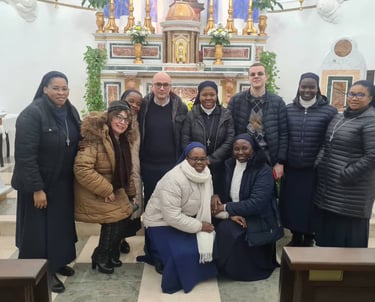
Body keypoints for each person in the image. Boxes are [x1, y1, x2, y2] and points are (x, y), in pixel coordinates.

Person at [11, 71, 81, 293]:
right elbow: (25, 155)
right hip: (40, 185)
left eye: (65, 88)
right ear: (45, 89)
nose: (61, 93)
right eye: (56, 88)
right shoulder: (32, 114)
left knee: (59, 228)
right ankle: (43, 273)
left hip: (62, 182)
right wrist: (36, 188)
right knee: (39, 233)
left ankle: (58, 262)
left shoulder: (70, 110)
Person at [143, 142, 218, 294]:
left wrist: (230, 212)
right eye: (194, 158)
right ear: (186, 158)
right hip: (160, 222)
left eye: (202, 159)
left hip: (185, 219)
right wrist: (200, 226)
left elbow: (208, 202)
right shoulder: (174, 178)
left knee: (203, 248)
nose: (199, 162)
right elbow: (171, 217)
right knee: (182, 255)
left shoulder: (206, 174)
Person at [74, 101, 135, 274]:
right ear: (109, 117)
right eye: (118, 117)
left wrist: (131, 193)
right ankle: (100, 255)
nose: (122, 122)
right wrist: (105, 190)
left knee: (124, 216)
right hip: (94, 191)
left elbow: (126, 170)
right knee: (114, 218)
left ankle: (107, 252)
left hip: (112, 188)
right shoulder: (95, 137)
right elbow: (82, 168)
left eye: (126, 119)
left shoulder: (122, 139)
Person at [314, 80, 375, 247]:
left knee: (347, 250)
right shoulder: (339, 117)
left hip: (351, 198)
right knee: (327, 245)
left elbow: (372, 156)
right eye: (352, 94)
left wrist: (347, 173)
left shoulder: (371, 121)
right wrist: (319, 163)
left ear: (370, 98)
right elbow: (326, 144)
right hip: (329, 192)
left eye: (360, 94)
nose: (354, 98)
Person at [279, 73, 337, 246]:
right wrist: (282, 160)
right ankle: (296, 235)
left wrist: (319, 161)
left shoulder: (329, 111)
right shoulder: (288, 109)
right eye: (304, 86)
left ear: (318, 88)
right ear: (299, 86)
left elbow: (329, 140)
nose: (307, 90)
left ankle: (310, 236)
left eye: (311, 87)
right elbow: (284, 136)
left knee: (312, 204)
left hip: (314, 168)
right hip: (292, 167)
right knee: (293, 204)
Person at [212, 133, 279, 281]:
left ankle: (243, 271)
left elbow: (257, 204)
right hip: (234, 212)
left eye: (245, 148)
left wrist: (225, 208)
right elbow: (220, 186)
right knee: (221, 228)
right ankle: (225, 268)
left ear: (254, 149)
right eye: (236, 149)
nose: (240, 152)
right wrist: (215, 195)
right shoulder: (229, 165)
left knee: (230, 232)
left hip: (259, 217)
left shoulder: (264, 170)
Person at [227, 62, 288, 180]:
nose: (256, 76)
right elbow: (229, 130)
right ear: (248, 78)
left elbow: (284, 134)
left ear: (266, 77)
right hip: (242, 157)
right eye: (252, 74)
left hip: (267, 157)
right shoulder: (236, 100)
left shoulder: (277, 102)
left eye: (260, 73)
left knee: (265, 193)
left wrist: (280, 162)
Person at [138, 71, 188, 207]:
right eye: (158, 84)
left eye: (165, 85)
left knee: (170, 202)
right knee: (151, 202)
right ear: (152, 87)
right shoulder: (143, 106)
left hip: (171, 164)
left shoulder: (180, 107)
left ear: (170, 87)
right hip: (148, 165)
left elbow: (185, 133)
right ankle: (150, 228)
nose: (162, 88)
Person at [182, 80, 234, 200]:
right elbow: (185, 139)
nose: (208, 98)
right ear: (199, 96)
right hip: (195, 167)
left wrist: (211, 159)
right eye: (204, 95)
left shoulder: (226, 114)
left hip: (220, 167)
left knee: (218, 202)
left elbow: (229, 140)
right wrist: (197, 160)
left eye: (212, 95)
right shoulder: (191, 115)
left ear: (217, 95)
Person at [118, 89, 143, 254]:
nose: (134, 105)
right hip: (118, 171)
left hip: (135, 171)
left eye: (138, 103)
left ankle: (121, 239)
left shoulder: (138, 122)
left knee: (130, 208)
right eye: (131, 101)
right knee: (117, 209)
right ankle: (108, 246)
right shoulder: (114, 119)